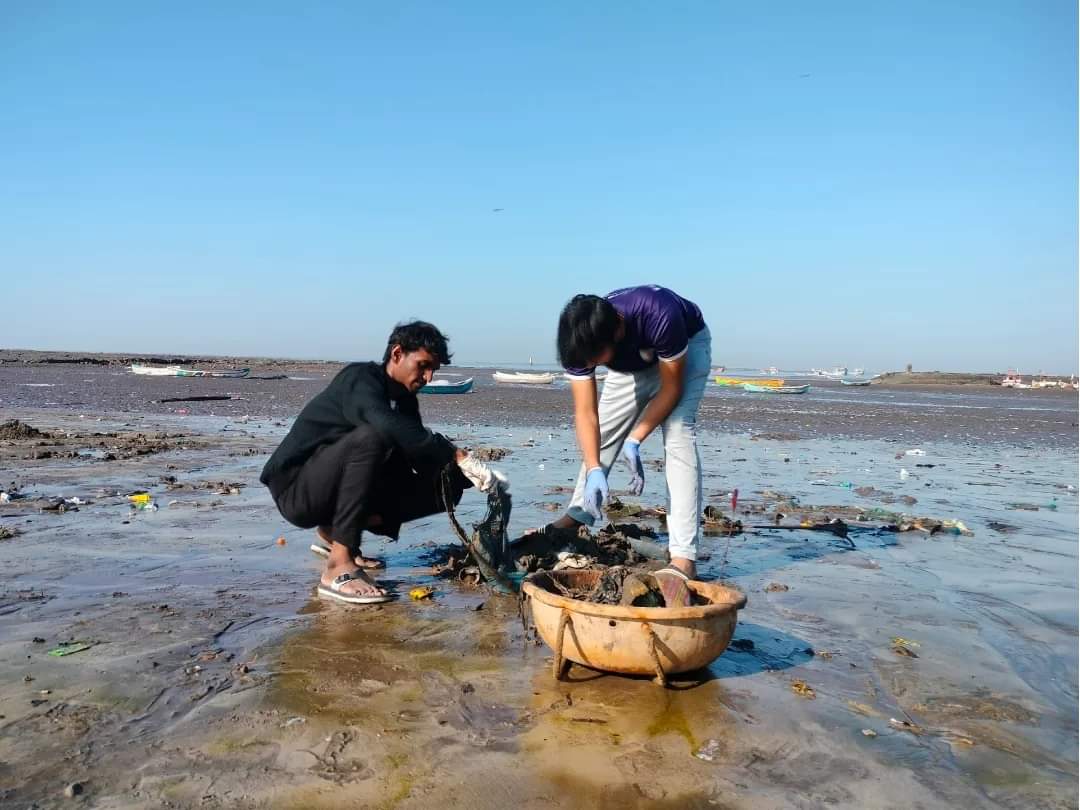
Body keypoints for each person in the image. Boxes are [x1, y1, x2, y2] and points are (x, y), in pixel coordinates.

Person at [260, 321, 508, 604]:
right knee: (373, 436)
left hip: (334, 492)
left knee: (447, 485)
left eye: (433, 371)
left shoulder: (405, 403)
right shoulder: (360, 380)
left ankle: (335, 532)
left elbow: (421, 456)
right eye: (423, 366)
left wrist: (470, 475)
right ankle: (338, 566)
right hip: (297, 490)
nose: (427, 377)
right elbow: (384, 423)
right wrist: (454, 452)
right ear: (397, 353)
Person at [544, 285, 711, 581]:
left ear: (618, 331)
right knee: (605, 431)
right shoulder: (579, 342)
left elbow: (672, 388)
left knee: (678, 437)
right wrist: (595, 467)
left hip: (684, 349)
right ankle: (577, 515)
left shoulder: (659, 313)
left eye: (596, 359)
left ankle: (684, 556)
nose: (591, 366)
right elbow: (586, 413)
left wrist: (636, 439)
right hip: (631, 365)